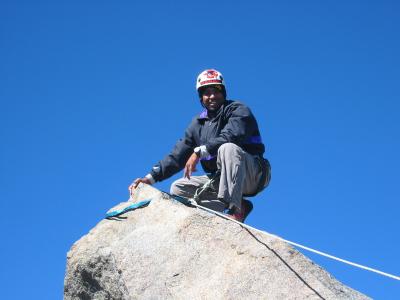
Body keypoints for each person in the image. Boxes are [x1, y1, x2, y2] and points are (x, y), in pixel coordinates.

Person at [129, 69, 271, 222]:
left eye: (215, 91)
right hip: (222, 179)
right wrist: (150, 179)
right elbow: (177, 155)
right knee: (179, 188)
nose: (211, 96)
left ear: (223, 92)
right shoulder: (198, 124)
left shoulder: (238, 110)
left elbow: (232, 135)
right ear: (201, 97)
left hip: (253, 174)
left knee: (228, 148)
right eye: (206, 93)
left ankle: (235, 209)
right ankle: (237, 207)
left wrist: (199, 152)